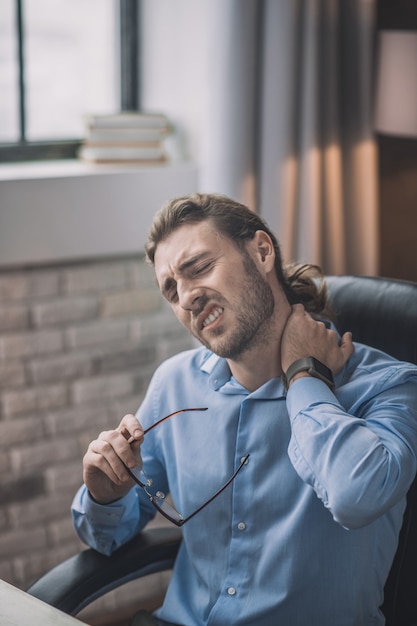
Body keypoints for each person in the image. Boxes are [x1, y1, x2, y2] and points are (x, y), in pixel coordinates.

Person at [72, 193, 417, 626]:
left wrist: (303, 375)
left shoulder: (389, 384)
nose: (187, 297)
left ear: (262, 251)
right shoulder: (175, 384)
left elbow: (356, 497)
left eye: (198, 268)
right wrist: (106, 495)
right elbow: (108, 538)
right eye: (171, 289)